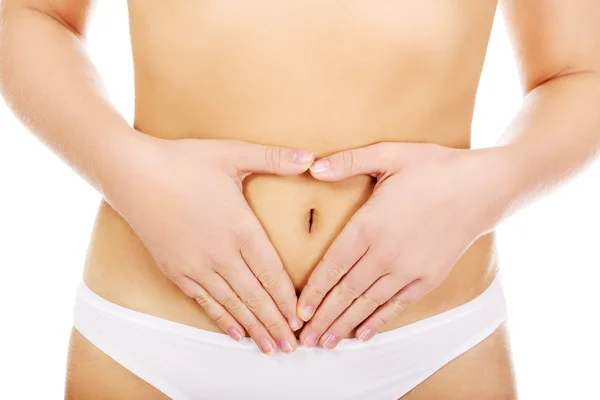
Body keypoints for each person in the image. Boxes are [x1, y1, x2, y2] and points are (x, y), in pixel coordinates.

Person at [1, 0, 599, 399]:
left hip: (432, 348)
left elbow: (581, 72)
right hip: (154, 339)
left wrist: (488, 186)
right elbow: (28, 13)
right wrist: (126, 169)